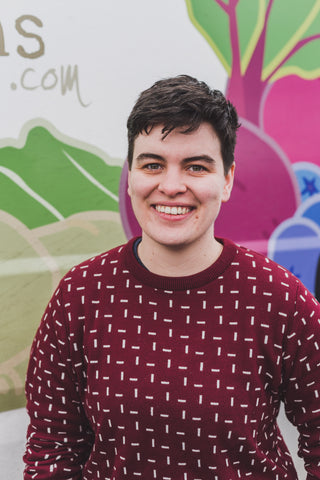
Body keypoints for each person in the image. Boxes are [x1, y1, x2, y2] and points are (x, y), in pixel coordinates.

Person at [24, 75, 320, 480]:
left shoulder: (278, 298)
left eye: (196, 166)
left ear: (227, 179)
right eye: (153, 164)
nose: (172, 185)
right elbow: (51, 448)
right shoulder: (81, 294)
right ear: (131, 175)